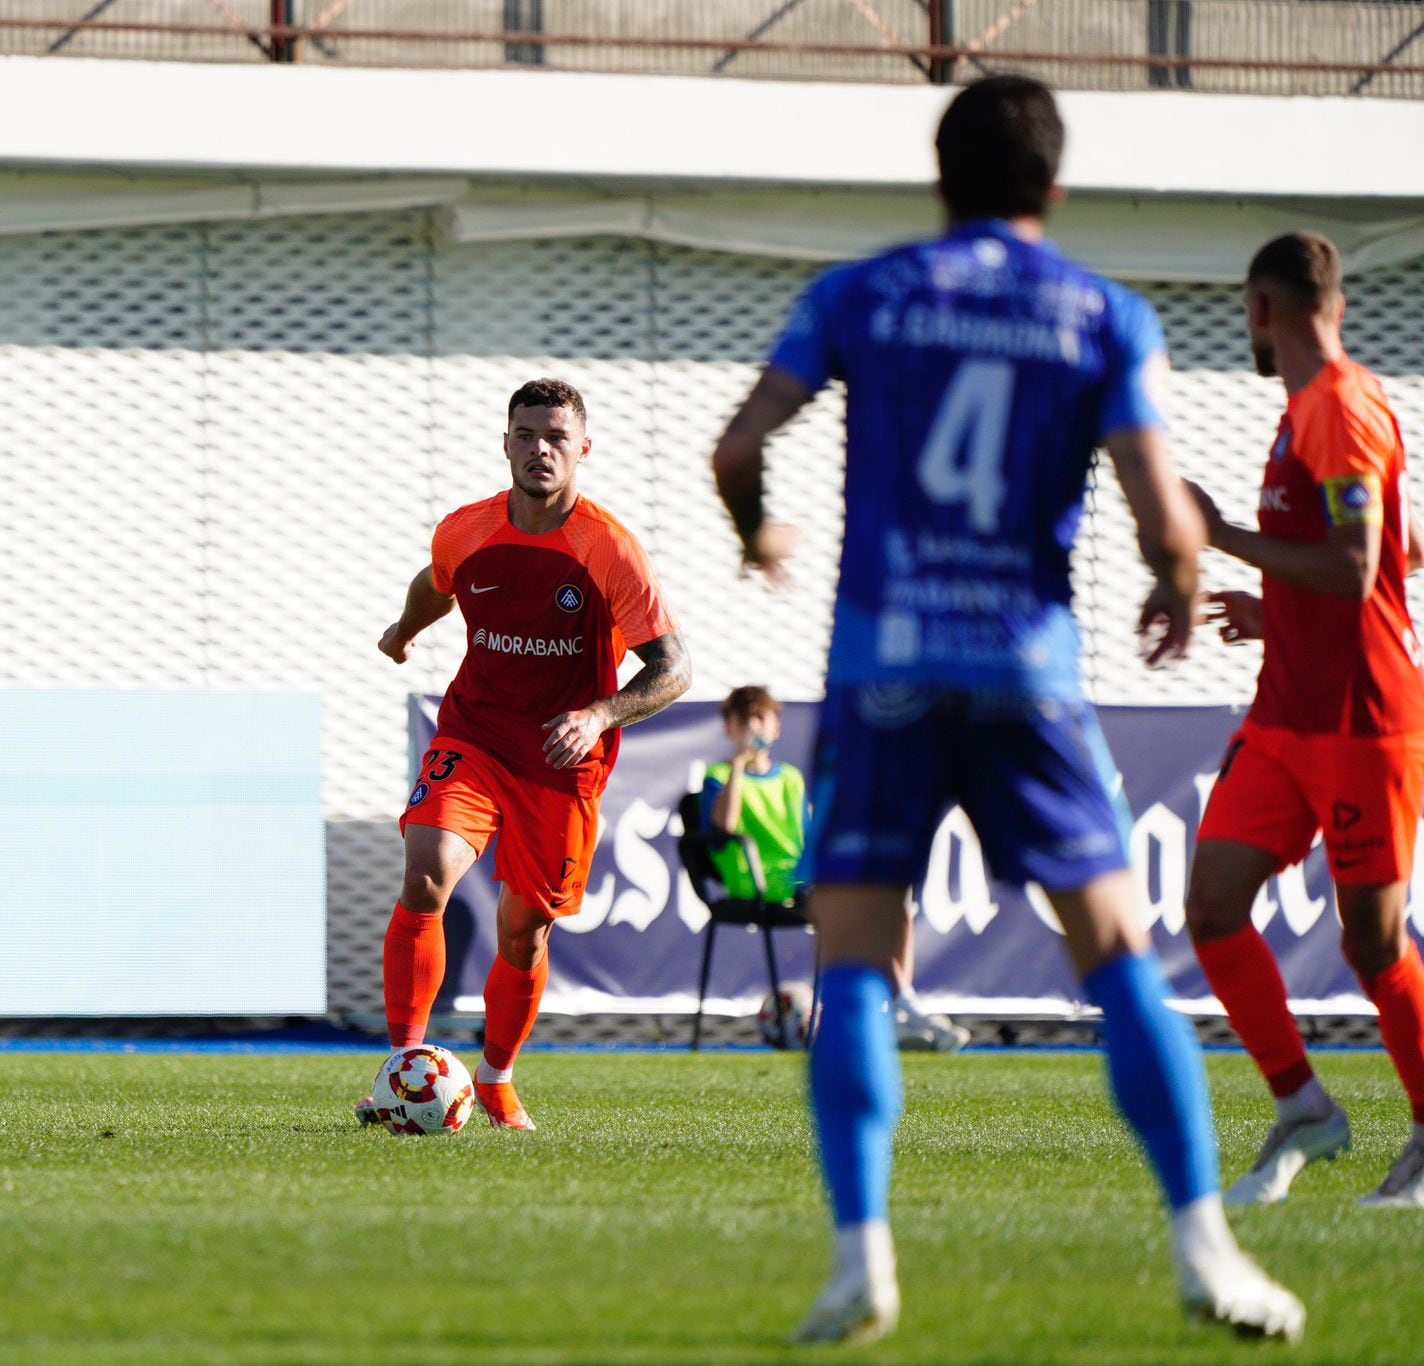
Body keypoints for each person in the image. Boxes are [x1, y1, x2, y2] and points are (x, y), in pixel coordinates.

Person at [710, 76, 1301, 1343]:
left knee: (856, 968)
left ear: (938, 179)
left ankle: (859, 1259)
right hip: (1025, 674)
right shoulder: (1100, 314)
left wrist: (756, 529)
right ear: (1057, 187)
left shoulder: (861, 295)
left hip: (883, 673)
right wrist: (1177, 586)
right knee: (1114, 956)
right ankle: (1204, 1248)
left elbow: (734, 444)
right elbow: (1157, 512)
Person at [363, 377, 691, 1131]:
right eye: (526, 435)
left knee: (525, 931)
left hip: (561, 759)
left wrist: (600, 712)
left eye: (556, 438)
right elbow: (438, 583)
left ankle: (497, 1080)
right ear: (505, 442)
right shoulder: (467, 529)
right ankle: (401, 1070)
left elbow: (673, 669)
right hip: (475, 732)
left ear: (582, 449)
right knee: (425, 876)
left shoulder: (610, 551)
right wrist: (404, 630)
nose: (540, 449)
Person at [1182, 231, 1424, 1210]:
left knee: (1368, 942)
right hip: (1286, 714)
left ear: (1261, 308)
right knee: (1209, 908)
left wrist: (1220, 539)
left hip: (1363, 722)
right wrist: (1270, 612)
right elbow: (1396, 552)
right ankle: (1303, 1108)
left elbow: (1356, 565)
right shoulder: (1303, 415)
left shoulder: (1334, 410)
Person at [703, 686, 968, 1051]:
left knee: (896, 908)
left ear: (776, 728)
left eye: (761, 719)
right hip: (757, 883)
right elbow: (726, 828)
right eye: (743, 720)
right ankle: (904, 1008)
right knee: (860, 913)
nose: (753, 728)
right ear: (729, 728)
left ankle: (894, 1010)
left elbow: (809, 835)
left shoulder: (791, 779)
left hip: (799, 880)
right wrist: (737, 767)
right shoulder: (718, 775)